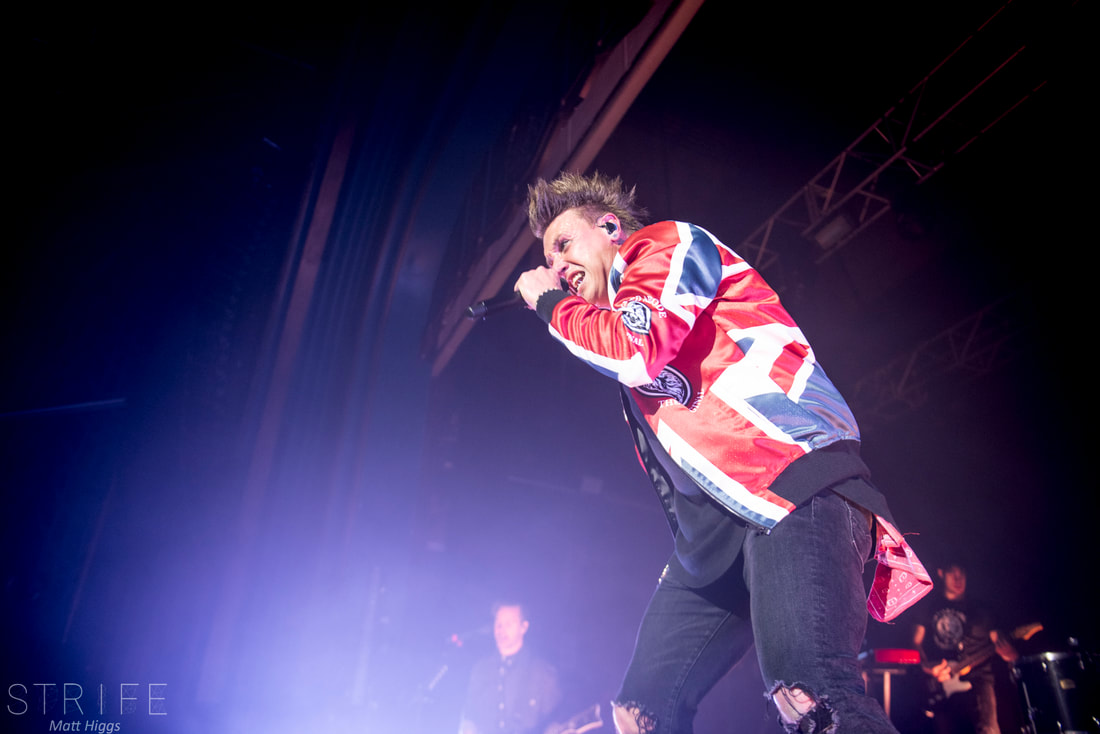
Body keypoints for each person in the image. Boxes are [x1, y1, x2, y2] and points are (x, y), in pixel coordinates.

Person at [512, 171, 933, 734]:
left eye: (564, 244)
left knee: (809, 697)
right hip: (716, 535)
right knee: (640, 713)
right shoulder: (611, 322)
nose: (558, 265)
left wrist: (549, 303)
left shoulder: (665, 245)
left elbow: (637, 349)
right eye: (548, 259)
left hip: (790, 485)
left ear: (610, 227)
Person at [911, 563, 1020, 734]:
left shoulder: (981, 609)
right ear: (941, 573)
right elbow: (914, 643)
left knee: (987, 729)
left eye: (961, 572)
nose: (958, 578)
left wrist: (1010, 653)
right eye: (952, 573)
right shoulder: (928, 606)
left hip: (979, 680)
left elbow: (1003, 646)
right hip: (940, 683)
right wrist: (927, 667)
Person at [459, 602, 562, 734]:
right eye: (498, 624)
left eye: (508, 624)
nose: (501, 630)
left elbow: (554, 720)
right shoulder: (480, 670)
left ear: (523, 627)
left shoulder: (542, 672)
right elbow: (469, 715)